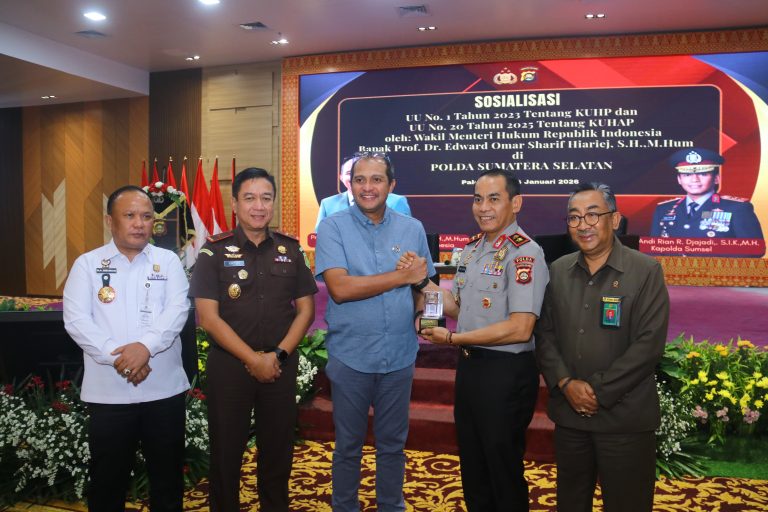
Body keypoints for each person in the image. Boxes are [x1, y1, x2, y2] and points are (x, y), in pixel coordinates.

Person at [405, 168, 548, 511]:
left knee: (502, 468)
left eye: (494, 199)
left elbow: (521, 328)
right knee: (473, 463)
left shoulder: (525, 254)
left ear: (516, 203)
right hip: (471, 369)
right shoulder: (471, 250)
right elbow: (458, 306)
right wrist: (421, 280)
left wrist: (454, 338)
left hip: (505, 372)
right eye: (478, 199)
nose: (483, 207)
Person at [536, 182, 670, 512]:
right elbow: (545, 334)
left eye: (593, 215)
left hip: (624, 419)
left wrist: (597, 392)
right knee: (570, 503)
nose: (583, 225)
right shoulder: (559, 270)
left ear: (615, 219)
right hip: (570, 418)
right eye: (574, 217)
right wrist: (566, 383)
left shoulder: (646, 271)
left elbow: (648, 345)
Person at [189, 168, 317, 512]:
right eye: (249, 198)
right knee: (226, 452)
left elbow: (306, 311)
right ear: (235, 204)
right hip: (230, 367)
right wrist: (252, 359)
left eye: (265, 198)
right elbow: (208, 318)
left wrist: (278, 355)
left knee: (278, 451)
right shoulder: (213, 252)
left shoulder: (291, 250)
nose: (258, 206)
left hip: (279, 366)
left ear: (273, 203)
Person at [314, 152, 435, 511]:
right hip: (350, 356)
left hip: (399, 356)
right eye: (360, 179)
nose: (368, 187)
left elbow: (424, 286)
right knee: (348, 447)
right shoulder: (332, 227)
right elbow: (341, 289)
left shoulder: (412, 229)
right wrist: (401, 276)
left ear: (391, 185)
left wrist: (427, 319)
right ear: (350, 185)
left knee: (393, 447)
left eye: (377, 179)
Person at [63, 185, 190, 512]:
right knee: (107, 483)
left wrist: (145, 348)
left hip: (163, 392)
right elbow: (77, 321)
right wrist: (122, 358)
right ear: (110, 221)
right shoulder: (88, 264)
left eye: (146, 217)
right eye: (130, 215)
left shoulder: (168, 261)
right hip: (109, 395)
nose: (139, 223)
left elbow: (178, 311)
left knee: (168, 483)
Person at [650, 148, 763, 239]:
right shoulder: (664, 209)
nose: (695, 180)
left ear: (716, 179)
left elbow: (754, 249)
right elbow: (653, 248)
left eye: (703, 174)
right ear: (679, 179)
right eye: (687, 175)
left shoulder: (737, 208)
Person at [315, 153, 411, 231]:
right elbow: (320, 237)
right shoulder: (328, 204)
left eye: (376, 179)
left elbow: (404, 236)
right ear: (341, 177)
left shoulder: (397, 201)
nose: (353, 178)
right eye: (349, 173)